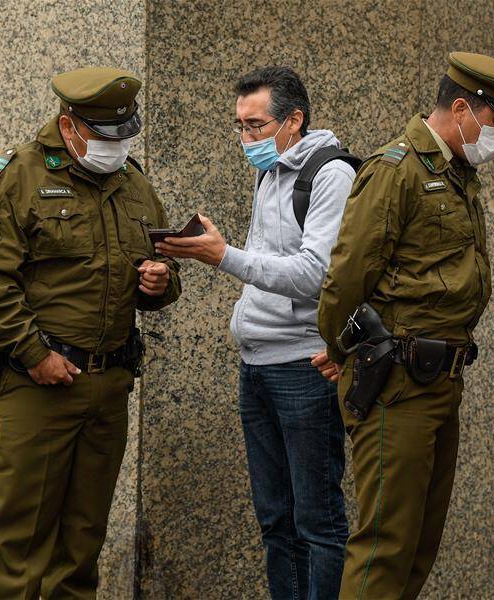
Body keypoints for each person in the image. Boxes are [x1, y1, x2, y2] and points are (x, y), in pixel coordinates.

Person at [317, 52, 494, 599]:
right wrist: (341, 347)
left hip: (442, 377)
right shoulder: (398, 170)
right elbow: (347, 277)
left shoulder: (455, 172)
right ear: (464, 108)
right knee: (384, 545)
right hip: (397, 381)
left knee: (420, 542)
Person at [0, 67, 182, 599]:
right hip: (35, 384)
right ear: (70, 126)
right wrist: (36, 355)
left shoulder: (133, 183)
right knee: (18, 542)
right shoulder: (14, 177)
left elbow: (161, 270)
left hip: (108, 385)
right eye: (107, 136)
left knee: (81, 544)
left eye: (127, 135)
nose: (118, 146)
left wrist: (159, 282)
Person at [155, 66, 354, 600]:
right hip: (257, 366)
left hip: (304, 368)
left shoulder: (331, 174)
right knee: (275, 522)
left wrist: (223, 256)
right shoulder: (271, 173)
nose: (246, 140)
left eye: (256, 127)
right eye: (239, 127)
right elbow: (269, 262)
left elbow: (314, 274)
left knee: (318, 521)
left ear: (294, 120)